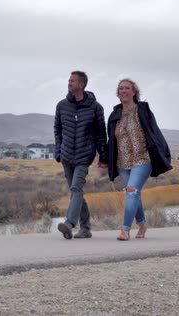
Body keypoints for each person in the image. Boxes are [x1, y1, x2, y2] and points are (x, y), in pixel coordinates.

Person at [106, 78, 172, 241]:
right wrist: (105, 157)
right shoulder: (115, 115)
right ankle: (142, 224)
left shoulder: (143, 110)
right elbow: (111, 139)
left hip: (143, 159)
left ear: (134, 92)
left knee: (132, 191)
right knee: (133, 194)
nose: (124, 91)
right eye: (121, 88)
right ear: (118, 93)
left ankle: (125, 230)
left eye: (127, 88)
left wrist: (163, 154)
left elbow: (155, 133)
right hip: (123, 162)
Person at [54, 70, 108, 239]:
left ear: (81, 85)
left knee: (77, 188)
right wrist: (58, 150)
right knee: (76, 192)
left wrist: (103, 156)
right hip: (66, 155)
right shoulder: (62, 105)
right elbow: (58, 130)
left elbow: (101, 134)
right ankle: (85, 228)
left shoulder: (95, 108)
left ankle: (69, 223)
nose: (69, 83)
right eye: (69, 80)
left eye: (72, 81)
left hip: (84, 156)